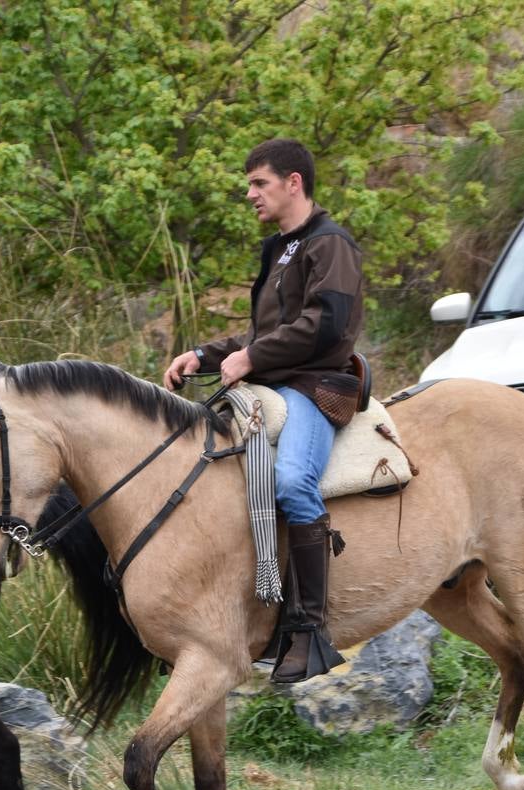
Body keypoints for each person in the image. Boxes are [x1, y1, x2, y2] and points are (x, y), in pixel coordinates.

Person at [163, 138, 364, 683]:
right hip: (273, 386)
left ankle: (309, 630)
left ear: (293, 183)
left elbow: (325, 325)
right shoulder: (281, 248)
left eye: (259, 183)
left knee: (295, 481)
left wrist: (251, 356)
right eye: (249, 184)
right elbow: (266, 331)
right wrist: (207, 355)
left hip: (313, 388)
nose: (249, 193)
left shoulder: (330, 245)